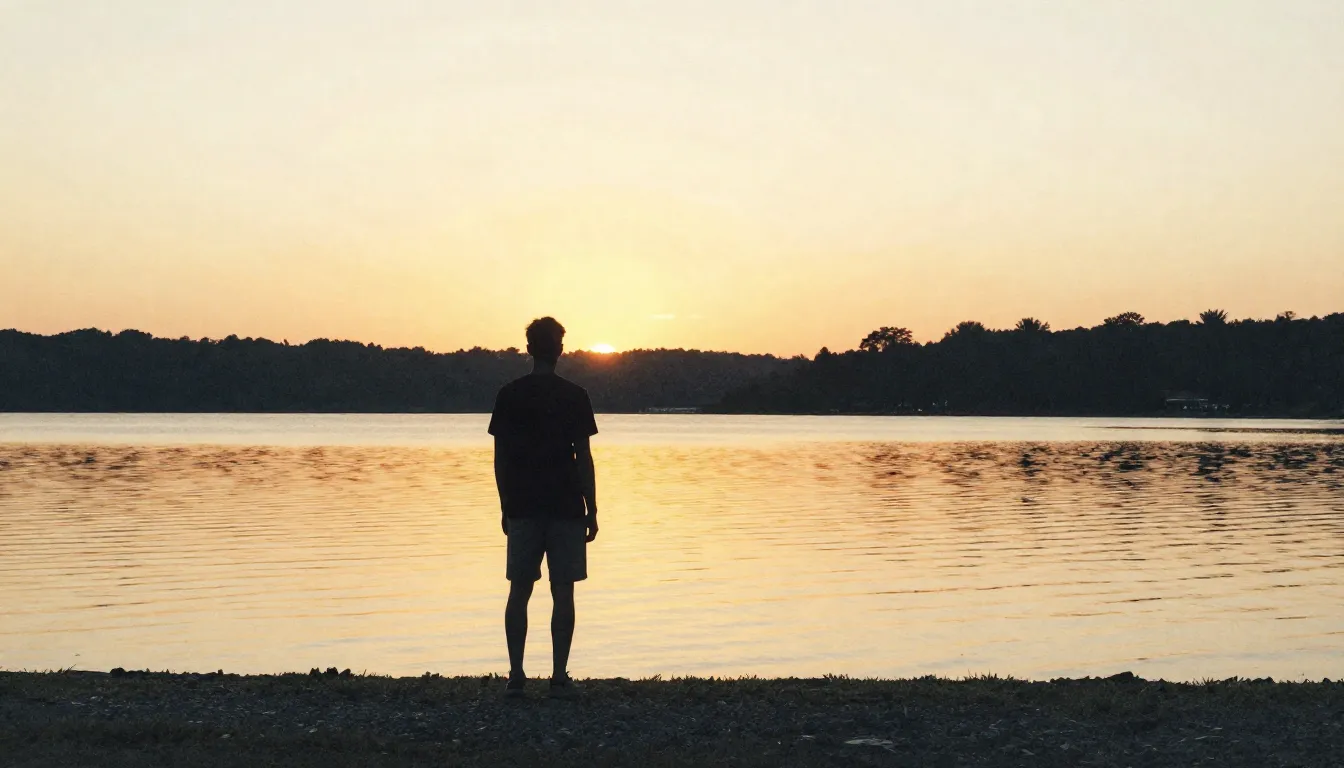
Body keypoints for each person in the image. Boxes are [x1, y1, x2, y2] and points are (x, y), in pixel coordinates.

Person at [488, 317, 599, 699]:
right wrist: (592, 507)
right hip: (566, 504)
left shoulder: (509, 395)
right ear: (560, 350)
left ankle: (516, 675)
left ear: (529, 349)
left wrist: (504, 503)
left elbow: (501, 458)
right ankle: (558, 676)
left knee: (519, 590)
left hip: (522, 503)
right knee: (562, 591)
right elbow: (583, 457)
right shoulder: (575, 395)